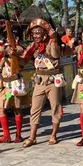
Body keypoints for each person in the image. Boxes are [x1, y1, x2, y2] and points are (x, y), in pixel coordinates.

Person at [20, 18, 63, 147]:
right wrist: (13, 55)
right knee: (34, 108)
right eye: (34, 33)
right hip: (39, 80)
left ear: (44, 33)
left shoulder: (51, 43)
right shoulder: (33, 46)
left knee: (55, 107)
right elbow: (23, 61)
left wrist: (54, 38)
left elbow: (55, 55)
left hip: (52, 79)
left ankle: (54, 135)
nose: (35, 35)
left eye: (38, 32)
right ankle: (32, 136)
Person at [0, 27, 29, 144]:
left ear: (16, 38)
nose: (8, 39)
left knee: (17, 109)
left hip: (15, 83)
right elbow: (1, 49)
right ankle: (6, 135)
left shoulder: (19, 48)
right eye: (7, 36)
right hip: (4, 83)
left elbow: (12, 51)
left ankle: (18, 135)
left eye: (10, 36)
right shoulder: (4, 49)